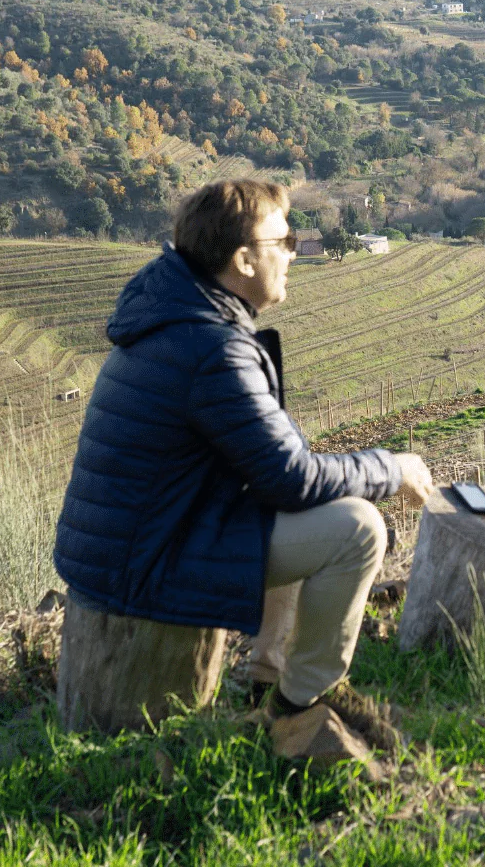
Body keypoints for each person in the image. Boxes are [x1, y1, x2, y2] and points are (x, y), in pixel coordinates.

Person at [54, 179, 434, 722]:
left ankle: (267, 677)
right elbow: (293, 478)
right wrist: (392, 467)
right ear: (244, 261)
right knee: (358, 528)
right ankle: (302, 702)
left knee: (308, 510)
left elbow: (279, 466)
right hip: (145, 569)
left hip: (133, 549)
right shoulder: (213, 348)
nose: (292, 253)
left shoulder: (180, 317)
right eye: (283, 242)